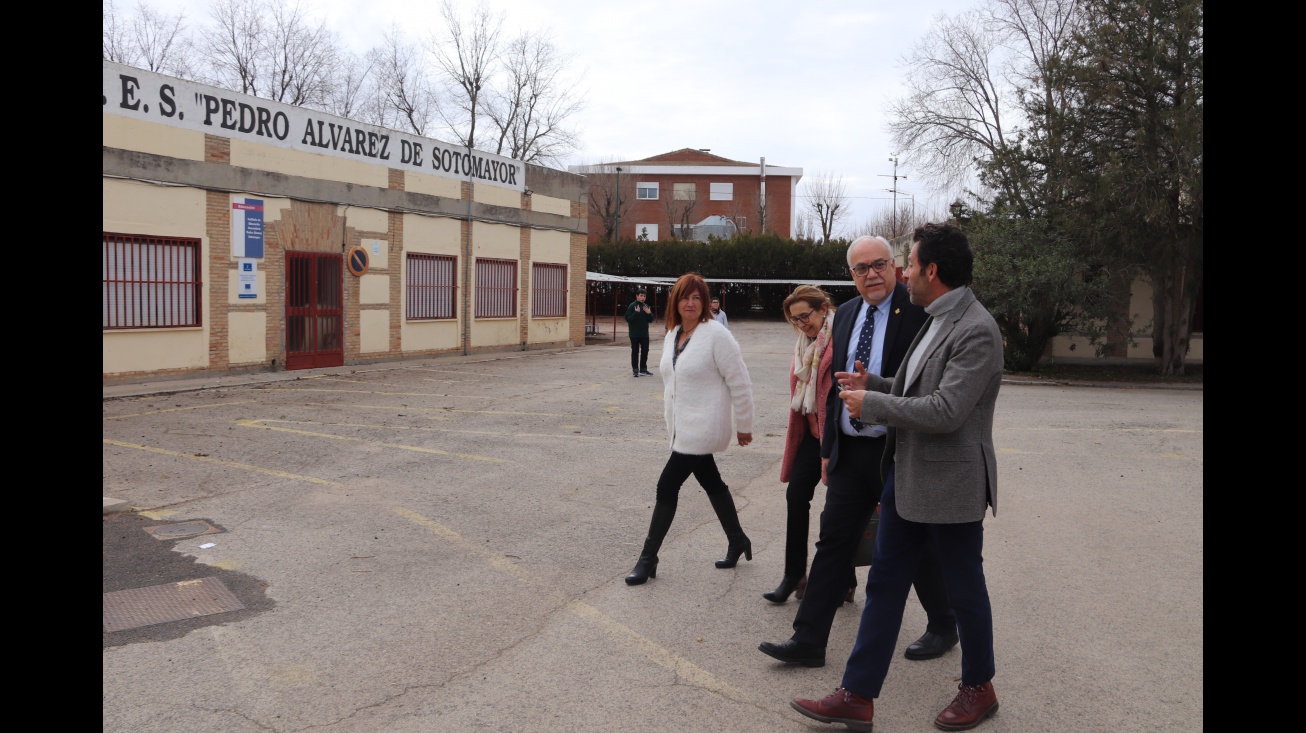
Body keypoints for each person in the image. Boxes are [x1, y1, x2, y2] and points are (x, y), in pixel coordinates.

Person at [790, 223, 1005, 732]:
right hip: (906, 476)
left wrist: (874, 403)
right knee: (885, 583)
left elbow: (948, 409)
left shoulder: (976, 328)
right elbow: (915, 386)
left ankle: (980, 687)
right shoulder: (936, 317)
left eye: (908, 264)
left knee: (964, 589)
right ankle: (857, 695)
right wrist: (876, 383)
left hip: (951, 485)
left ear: (931, 270)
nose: (903, 272)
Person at [759, 235, 956, 669]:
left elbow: (934, 388)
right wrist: (830, 446)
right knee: (833, 543)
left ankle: (943, 623)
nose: (871, 274)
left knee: (916, 543)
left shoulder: (923, 314)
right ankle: (808, 641)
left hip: (900, 450)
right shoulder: (845, 315)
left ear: (895, 266)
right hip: (851, 452)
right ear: (851, 276)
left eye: (879, 264)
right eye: (861, 268)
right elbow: (833, 389)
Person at [625, 273, 755, 585]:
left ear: (705, 302)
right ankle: (738, 539)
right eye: (685, 297)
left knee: (666, 485)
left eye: (697, 297)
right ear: (676, 301)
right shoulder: (673, 335)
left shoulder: (717, 336)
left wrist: (744, 425)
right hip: (680, 426)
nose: (691, 303)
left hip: (705, 425)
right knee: (711, 481)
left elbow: (740, 381)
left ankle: (648, 558)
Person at [763, 285, 855, 604]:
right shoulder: (805, 344)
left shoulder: (842, 337)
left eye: (805, 316)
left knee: (839, 513)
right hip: (812, 437)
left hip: (840, 438)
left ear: (823, 308)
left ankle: (845, 579)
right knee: (796, 497)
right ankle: (794, 575)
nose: (802, 324)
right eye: (795, 320)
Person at [625, 289, 655, 377]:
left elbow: (651, 320)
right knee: (635, 351)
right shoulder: (632, 306)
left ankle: (643, 369)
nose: (643, 298)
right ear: (637, 296)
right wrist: (636, 313)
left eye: (644, 296)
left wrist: (649, 313)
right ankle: (635, 369)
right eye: (641, 295)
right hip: (634, 334)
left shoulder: (645, 306)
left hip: (644, 334)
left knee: (645, 351)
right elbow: (627, 318)